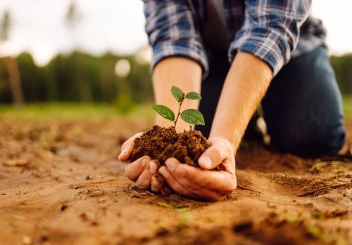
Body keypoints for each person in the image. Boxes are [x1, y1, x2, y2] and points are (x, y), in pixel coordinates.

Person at [118, 0, 346, 201]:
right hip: (211, 58)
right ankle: (247, 124)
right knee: (201, 140)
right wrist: (165, 143)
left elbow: (269, 27)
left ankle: (250, 110)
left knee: (312, 136)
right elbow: (174, 36)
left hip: (293, 46)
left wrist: (227, 137)